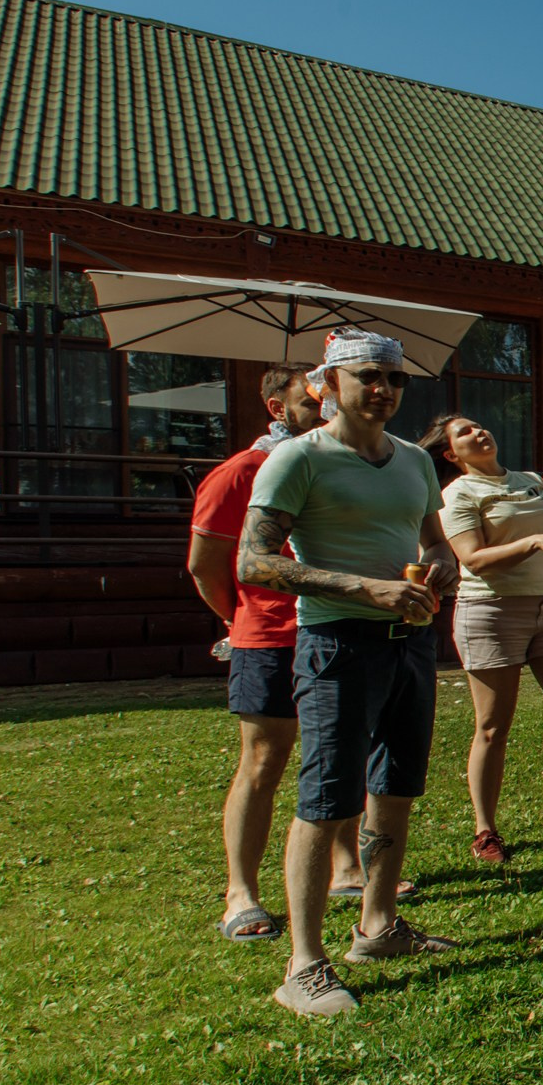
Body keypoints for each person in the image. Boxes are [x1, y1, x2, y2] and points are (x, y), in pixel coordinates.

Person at [237, 329, 459, 1017]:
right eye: (367, 376)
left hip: (410, 642)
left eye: (393, 380)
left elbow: (432, 540)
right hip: (335, 642)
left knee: (394, 785)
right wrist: (365, 588)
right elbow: (252, 560)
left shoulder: (416, 462)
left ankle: (378, 925)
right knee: (328, 795)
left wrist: (443, 566)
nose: (383, 390)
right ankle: (304, 963)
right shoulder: (298, 459)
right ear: (325, 384)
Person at [186, 363, 365, 941]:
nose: (327, 415)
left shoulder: (343, 462)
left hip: (340, 626)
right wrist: (240, 618)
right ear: (277, 409)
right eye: (314, 405)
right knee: (265, 760)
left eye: (332, 405)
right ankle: (241, 893)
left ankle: (345, 866)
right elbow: (205, 565)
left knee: (340, 752)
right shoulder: (240, 472)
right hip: (269, 636)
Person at [427, 413, 543, 863]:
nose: (479, 431)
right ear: (452, 454)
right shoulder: (457, 494)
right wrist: (533, 543)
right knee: (493, 727)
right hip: (490, 612)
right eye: (466, 433)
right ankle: (486, 831)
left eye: (479, 425)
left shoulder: (531, 480)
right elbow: (472, 558)